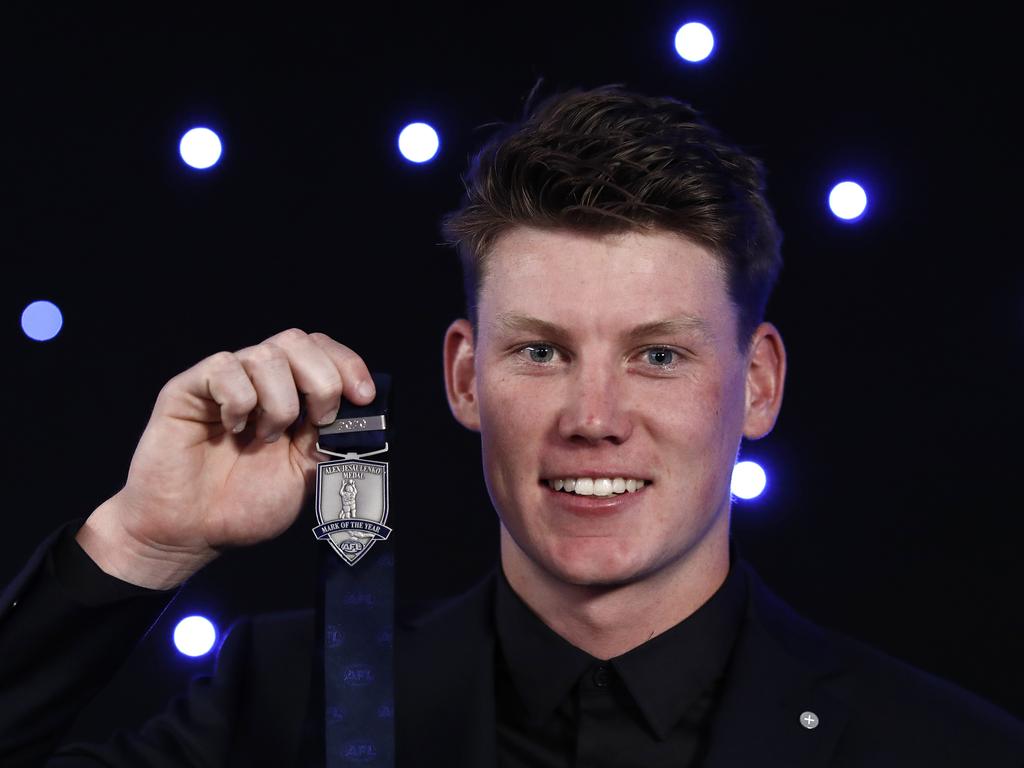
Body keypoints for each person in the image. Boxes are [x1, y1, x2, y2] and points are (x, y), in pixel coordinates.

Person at [1, 85, 1022, 767]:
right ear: (463, 375)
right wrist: (139, 541)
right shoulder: (284, 702)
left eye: (656, 355)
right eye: (540, 351)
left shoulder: (943, 748)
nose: (592, 419)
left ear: (756, 386)